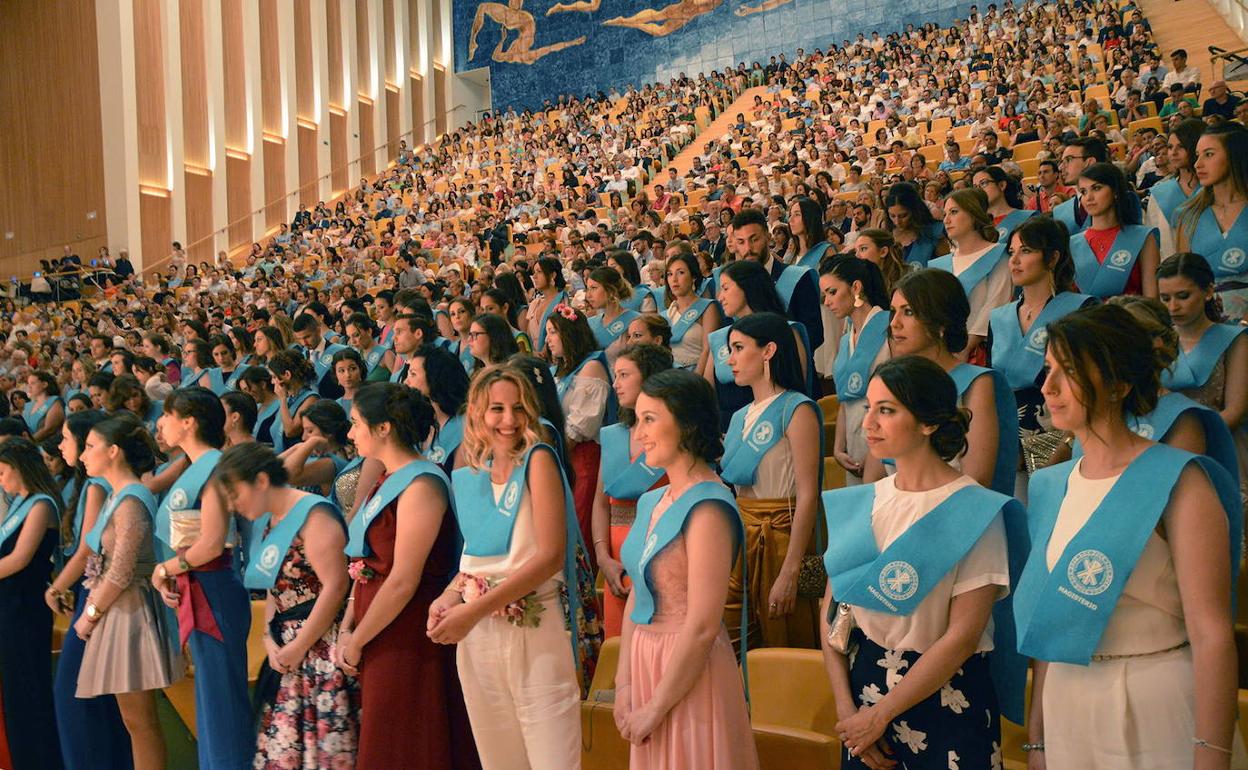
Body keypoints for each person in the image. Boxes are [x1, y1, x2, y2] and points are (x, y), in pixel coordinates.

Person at [1013, 304, 1246, 768]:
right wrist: (1036, 739)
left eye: (1070, 372)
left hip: (1156, 699)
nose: (1048, 388)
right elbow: (1049, 620)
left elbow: (1212, 632)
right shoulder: (1051, 484)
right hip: (1068, 700)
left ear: (1118, 384)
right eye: (1048, 369)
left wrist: (1213, 752)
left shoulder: (1180, 480)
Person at [433, 366, 597, 770]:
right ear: (476, 412)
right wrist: (449, 595)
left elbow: (549, 556)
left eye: (518, 408)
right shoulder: (468, 470)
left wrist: (470, 611)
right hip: (479, 635)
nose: (508, 420)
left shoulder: (538, 459)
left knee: (552, 758)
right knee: (499, 761)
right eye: (497, 409)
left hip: (533, 628)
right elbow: (474, 558)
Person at [615, 368, 758, 769]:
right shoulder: (651, 502)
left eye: (649, 419)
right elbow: (636, 598)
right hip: (645, 659)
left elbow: (702, 624)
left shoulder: (708, 506)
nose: (639, 432)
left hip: (688, 668)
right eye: (637, 419)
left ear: (687, 423)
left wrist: (655, 708)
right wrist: (625, 684)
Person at [336, 383, 479, 769]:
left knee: (405, 740)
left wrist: (357, 639)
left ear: (383, 428)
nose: (350, 434)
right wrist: (348, 625)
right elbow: (363, 563)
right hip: (377, 624)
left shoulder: (421, 483)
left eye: (355, 424)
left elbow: (403, 579)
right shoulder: (385, 478)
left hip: (409, 629)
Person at [217, 443, 360, 769]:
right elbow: (272, 583)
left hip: (319, 650)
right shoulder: (273, 519)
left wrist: (300, 645)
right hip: (287, 649)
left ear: (262, 481)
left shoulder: (315, 516)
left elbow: (336, 586)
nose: (232, 504)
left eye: (235, 492)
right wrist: (269, 636)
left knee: (324, 754)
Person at [150, 388, 253, 769]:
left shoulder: (214, 468)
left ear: (189, 421)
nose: (161, 423)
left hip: (213, 590)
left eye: (167, 414)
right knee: (211, 702)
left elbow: (211, 544)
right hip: (197, 588)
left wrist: (165, 571)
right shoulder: (194, 467)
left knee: (222, 705)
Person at [77, 414, 183, 770]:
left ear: (114, 451)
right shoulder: (118, 496)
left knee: (140, 722)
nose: (82, 455)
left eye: (90, 446)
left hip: (131, 611)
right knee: (133, 722)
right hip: (120, 609)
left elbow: (121, 571)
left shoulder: (131, 499)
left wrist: (89, 616)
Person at [719, 312, 822, 649]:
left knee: (786, 638)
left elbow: (809, 494)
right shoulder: (738, 417)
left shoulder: (797, 408)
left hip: (783, 538)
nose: (730, 359)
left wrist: (792, 570)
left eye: (738, 347)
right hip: (742, 536)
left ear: (768, 351)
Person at [867, 269, 1019, 497]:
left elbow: (977, 482)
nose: (894, 324)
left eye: (908, 312)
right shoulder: (893, 382)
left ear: (940, 322)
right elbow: (873, 477)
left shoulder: (977, 384)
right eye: (893, 312)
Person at [46, 410, 132, 770]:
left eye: (67, 438)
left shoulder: (99, 486)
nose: (64, 446)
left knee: (74, 698)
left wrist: (55, 587)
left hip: (97, 594)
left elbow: (87, 549)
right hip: (93, 591)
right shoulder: (93, 484)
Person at [988, 218, 1095, 496]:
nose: (1014, 261)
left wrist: (1060, 445)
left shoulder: (1080, 310)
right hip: (1007, 443)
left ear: (1053, 257)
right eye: (1011, 252)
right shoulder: (999, 317)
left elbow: (1091, 387)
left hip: (1064, 440)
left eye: (1026, 251)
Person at [592, 344, 673, 637]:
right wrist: (603, 557)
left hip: (663, 555)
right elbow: (601, 504)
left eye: (624, 375)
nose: (615, 384)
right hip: (617, 559)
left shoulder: (674, 434)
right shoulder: (612, 436)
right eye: (615, 375)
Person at [1157, 253, 1248, 499]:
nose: (1173, 307)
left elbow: (1236, 411)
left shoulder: (1235, 339)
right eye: (1165, 298)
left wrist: (1188, 443)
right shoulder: (1157, 340)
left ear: (1208, 291)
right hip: (1164, 449)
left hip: (1223, 446)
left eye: (1183, 296)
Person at [0, 438, 65, 770]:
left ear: (19, 467)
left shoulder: (41, 505)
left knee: (29, 690)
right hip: (9, 606)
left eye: (1, 471)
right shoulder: (19, 502)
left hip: (25, 608)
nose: (0, 479)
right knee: (14, 694)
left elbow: (19, 559)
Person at [706, 259, 814, 431]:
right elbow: (707, 392)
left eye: (726, 288)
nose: (720, 297)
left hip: (770, 429)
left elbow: (796, 387)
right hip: (727, 430)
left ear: (747, 287)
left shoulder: (786, 331)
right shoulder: (721, 337)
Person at [546, 304, 612, 557]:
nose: (548, 339)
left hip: (581, 460)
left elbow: (579, 428)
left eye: (553, 332)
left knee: (579, 531)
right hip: (562, 458)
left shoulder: (591, 367)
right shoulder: (560, 370)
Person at [821, 257, 892, 486]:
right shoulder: (845, 339)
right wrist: (838, 447)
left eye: (832, 292)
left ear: (856, 287)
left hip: (885, 446)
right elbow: (845, 397)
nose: (828, 301)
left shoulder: (890, 328)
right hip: (853, 446)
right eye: (825, 295)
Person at [1175, 123, 1248, 323]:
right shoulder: (1188, 215)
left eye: (1208, 154)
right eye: (1197, 155)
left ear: (1235, 156)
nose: (1197, 164)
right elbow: (1184, 281)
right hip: (1209, 329)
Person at [928, 188, 1011, 361]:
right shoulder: (941, 263)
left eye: (954, 212)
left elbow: (995, 305)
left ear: (973, 214)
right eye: (945, 214)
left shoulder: (998, 256)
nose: (947, 220)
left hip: (979, 353)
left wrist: (965, 348)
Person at [1070, 162, 1160, 298]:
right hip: (1086, 318)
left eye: (1096, 188)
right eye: (1083, 191)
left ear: (1115, 192)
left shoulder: (1142, 237)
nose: (1088, 198)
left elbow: (1152, 300)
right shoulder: (1072, 244)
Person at [406, 344, 470, 477]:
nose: (406, 382)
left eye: (413, 374)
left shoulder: (466, 426)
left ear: (434, 378)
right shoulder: (420, 420)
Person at [1146, 118, 1203, 258]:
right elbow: (1155, 243)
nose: (1173, 152)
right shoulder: (1159, 193)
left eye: (1181, 146)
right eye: (1170, 147)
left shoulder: (1216, 189)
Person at [663, 250, 720, 372]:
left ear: (693, 276)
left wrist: (694, 383)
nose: (674, 279)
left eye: (681, 273)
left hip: (696, 376)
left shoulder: (707, 308)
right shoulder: (667, 314)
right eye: (670, 274)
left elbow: (708, 350)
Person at [585, 267, 640, 365]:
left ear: (611, 290)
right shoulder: (589, 322)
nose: (588, 295)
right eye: (587, 289)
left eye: (594, 288)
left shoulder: (635, 321)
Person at [789, 196, 833, 269]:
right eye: (790, 215)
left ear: (810, 217)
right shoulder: (792, 252)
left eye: (797, 215)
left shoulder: (825, 251)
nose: (790, 220)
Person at [23, 370, 65, 443]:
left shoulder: (54, 401)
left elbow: (49, 429)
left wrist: (28, 442)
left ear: (44, 384)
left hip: (45, 448)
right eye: (28, 383)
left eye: (33, 383)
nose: (29, 386)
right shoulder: (28, 405)